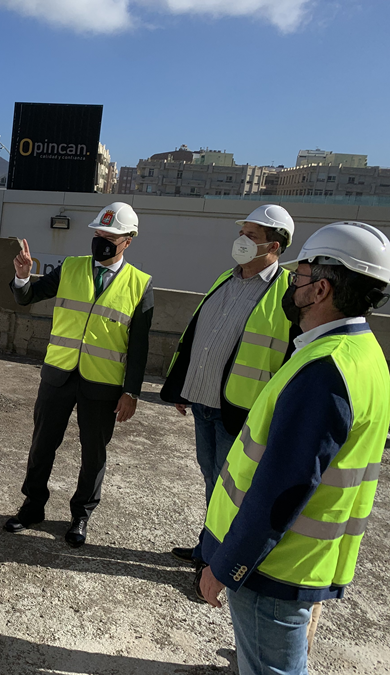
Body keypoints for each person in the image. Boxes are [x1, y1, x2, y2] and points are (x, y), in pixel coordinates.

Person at [197, 221, 390, 675]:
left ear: (320, 289)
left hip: (275, 571)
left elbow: (280, 490)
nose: (292, 283)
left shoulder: (326, 371)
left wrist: (228, 565)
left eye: (299, 276)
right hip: (300, 562)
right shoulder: (363, 356)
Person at [4, 202, 154, 547]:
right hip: (58, 374)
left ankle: (81, 515)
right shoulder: (70, 267)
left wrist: (132, 392)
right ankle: (32, 506)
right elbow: (27, 297)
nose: (101, 241)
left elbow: (140, 346)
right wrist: (23, 275)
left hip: (103, 383)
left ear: (127, 241)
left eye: (110, 236)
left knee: (94, 452)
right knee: (42, 444)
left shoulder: (140, 284)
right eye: (98, 234)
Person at [160, 205, 298, 569]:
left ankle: (220, 561)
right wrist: (184, 388)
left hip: (240, 412)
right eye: (242, 233)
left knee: (233, 490)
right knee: (212, 480)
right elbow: (200, 337)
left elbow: (289, 358)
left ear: (275, 246)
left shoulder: (286, 294)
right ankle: (209, 547)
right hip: (204, 404)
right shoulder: (226, 278)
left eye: (252, 236)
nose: (242, 241)